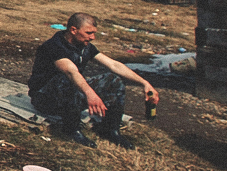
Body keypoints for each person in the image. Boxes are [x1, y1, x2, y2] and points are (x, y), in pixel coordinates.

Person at [28, 12, 159, 149]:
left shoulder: (84, 46)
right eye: (89, 33)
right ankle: (71, 130)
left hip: (70, 97)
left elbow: (114, 65)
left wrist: (145, 83)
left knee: (113, 80)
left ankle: (110, 129)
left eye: (94, 33)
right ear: (73, 30)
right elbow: (70, 72)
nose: (93, 37)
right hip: (45, 99)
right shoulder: (54, 46)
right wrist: (91, 94)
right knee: (66, 79)